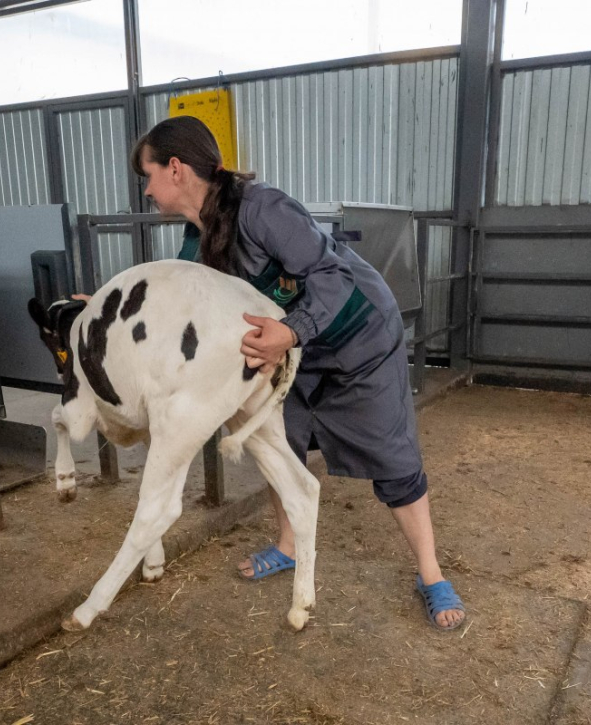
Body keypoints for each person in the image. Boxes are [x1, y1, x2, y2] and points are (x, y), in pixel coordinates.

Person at [128, 116, 465, 630]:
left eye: (147, 175)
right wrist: (107, 314)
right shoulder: (197, 238)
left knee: (391, 456)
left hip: (357, 339)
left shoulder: (262, 208)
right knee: (280, 446)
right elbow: (178, 298)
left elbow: (333, 275)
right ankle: (287, 545)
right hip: (292, 352)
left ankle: (431, 573)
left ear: (175, 169)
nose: (147, 189)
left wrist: (291, 331)